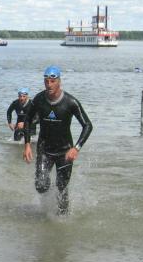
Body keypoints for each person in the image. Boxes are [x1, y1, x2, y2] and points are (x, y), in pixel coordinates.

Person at [22, 65, 92, 214]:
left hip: (65, 152)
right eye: (46, 81)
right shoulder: (39, 99)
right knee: (41, 186)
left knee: (62, 188)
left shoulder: (70, 102)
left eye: (52, 81)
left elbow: (88, 125)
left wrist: (76, 148)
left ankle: (62, 218)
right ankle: (47, 205)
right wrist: (27, 144)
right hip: (44, 150)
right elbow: (27, 120)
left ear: (59, 81)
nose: (49, 85)